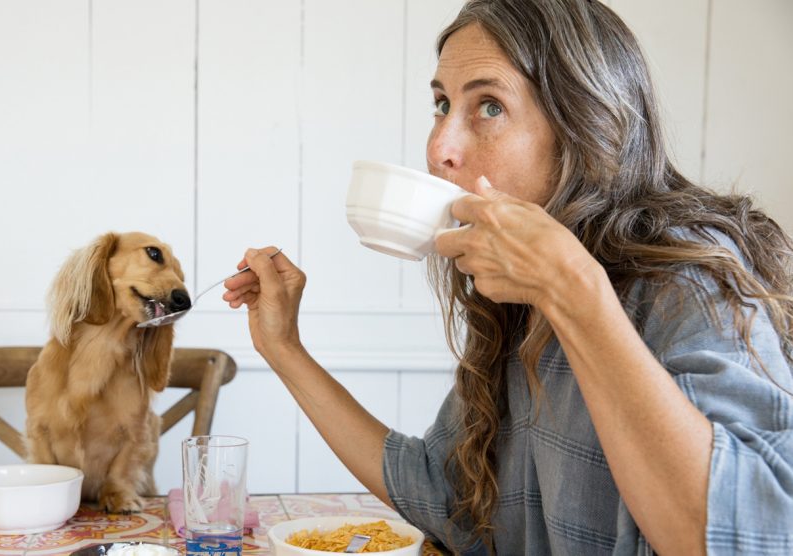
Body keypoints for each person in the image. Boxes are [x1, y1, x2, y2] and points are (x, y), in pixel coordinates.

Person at [223, 0, 793, 553]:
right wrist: (284, 349)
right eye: (442, 104)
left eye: (489, 106)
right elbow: (449, 499)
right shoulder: (520, 297)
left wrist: (573, 291)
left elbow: (753, 538)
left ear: (585, 126)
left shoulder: (689, 278)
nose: (439, 146)